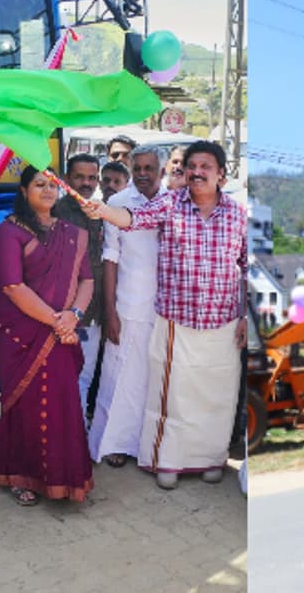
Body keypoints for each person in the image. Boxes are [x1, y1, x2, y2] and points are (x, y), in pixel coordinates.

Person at [86, 140, 248, 490]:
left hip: (223, 324)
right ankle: (169, 463)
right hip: (176, 319)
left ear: (221, 174)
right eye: (193, 166)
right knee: (172, 397)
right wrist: (103, 210)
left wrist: (247, 316)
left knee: (215, 398)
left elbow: (247, 266)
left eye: (207, 166)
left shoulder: (238, 213)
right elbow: (134, 219)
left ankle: (210, 460)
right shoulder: (172, 203)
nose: (198, 172)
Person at [0, 166, 95, 505]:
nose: (48, 191)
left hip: (61, 327)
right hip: (23, 332)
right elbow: (12, 286)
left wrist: (74, 315)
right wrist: (57, 322)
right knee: (27, 403)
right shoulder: (9, 233)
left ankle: (67, 476)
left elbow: (87, 280)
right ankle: (22, 475)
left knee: (64, 400)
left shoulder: (72, 232)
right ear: (23, 191)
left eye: (52, 185)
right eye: (39, 185)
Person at [90, 145, 166, 468]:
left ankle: (148, 448)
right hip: (128, 306)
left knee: (154, 383)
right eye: (138, 169)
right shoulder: (117, 205)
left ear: (161, 171)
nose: (143, 174)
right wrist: (110, 313)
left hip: (165, 311)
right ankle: (114, 445)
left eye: (150, 168)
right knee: (119, 380)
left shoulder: (174, 203)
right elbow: (111, 259)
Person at [52, 153, 106, 424]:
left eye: (92, 177)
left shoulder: (100, 210)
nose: (86, 183)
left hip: (94, 312)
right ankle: (67, 436)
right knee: (67, 376)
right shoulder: (57, 213)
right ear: (66, 179)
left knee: (84, 375)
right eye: (79, 177)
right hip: (67, 314)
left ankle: (77, 435)